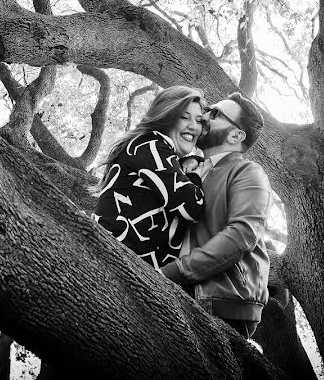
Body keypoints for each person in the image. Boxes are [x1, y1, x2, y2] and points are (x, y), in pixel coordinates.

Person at [160, 92, 272, 339]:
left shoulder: (248, 172)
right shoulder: (188, 170)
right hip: (174, 287)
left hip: (220, 301)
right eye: (208, 109)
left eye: (215, 113)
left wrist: (172, 272)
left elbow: (243, 234)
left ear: (236, 135)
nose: (204, 115)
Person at [92, 86, 206, 271]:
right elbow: (192, 206)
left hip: (135, 269)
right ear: (165, 116)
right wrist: (194, 175)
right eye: (184, 117)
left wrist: (192, 161)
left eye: (199, 120)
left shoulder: (157, 151)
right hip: (112, 262)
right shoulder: (151, 144)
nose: (193, 126)